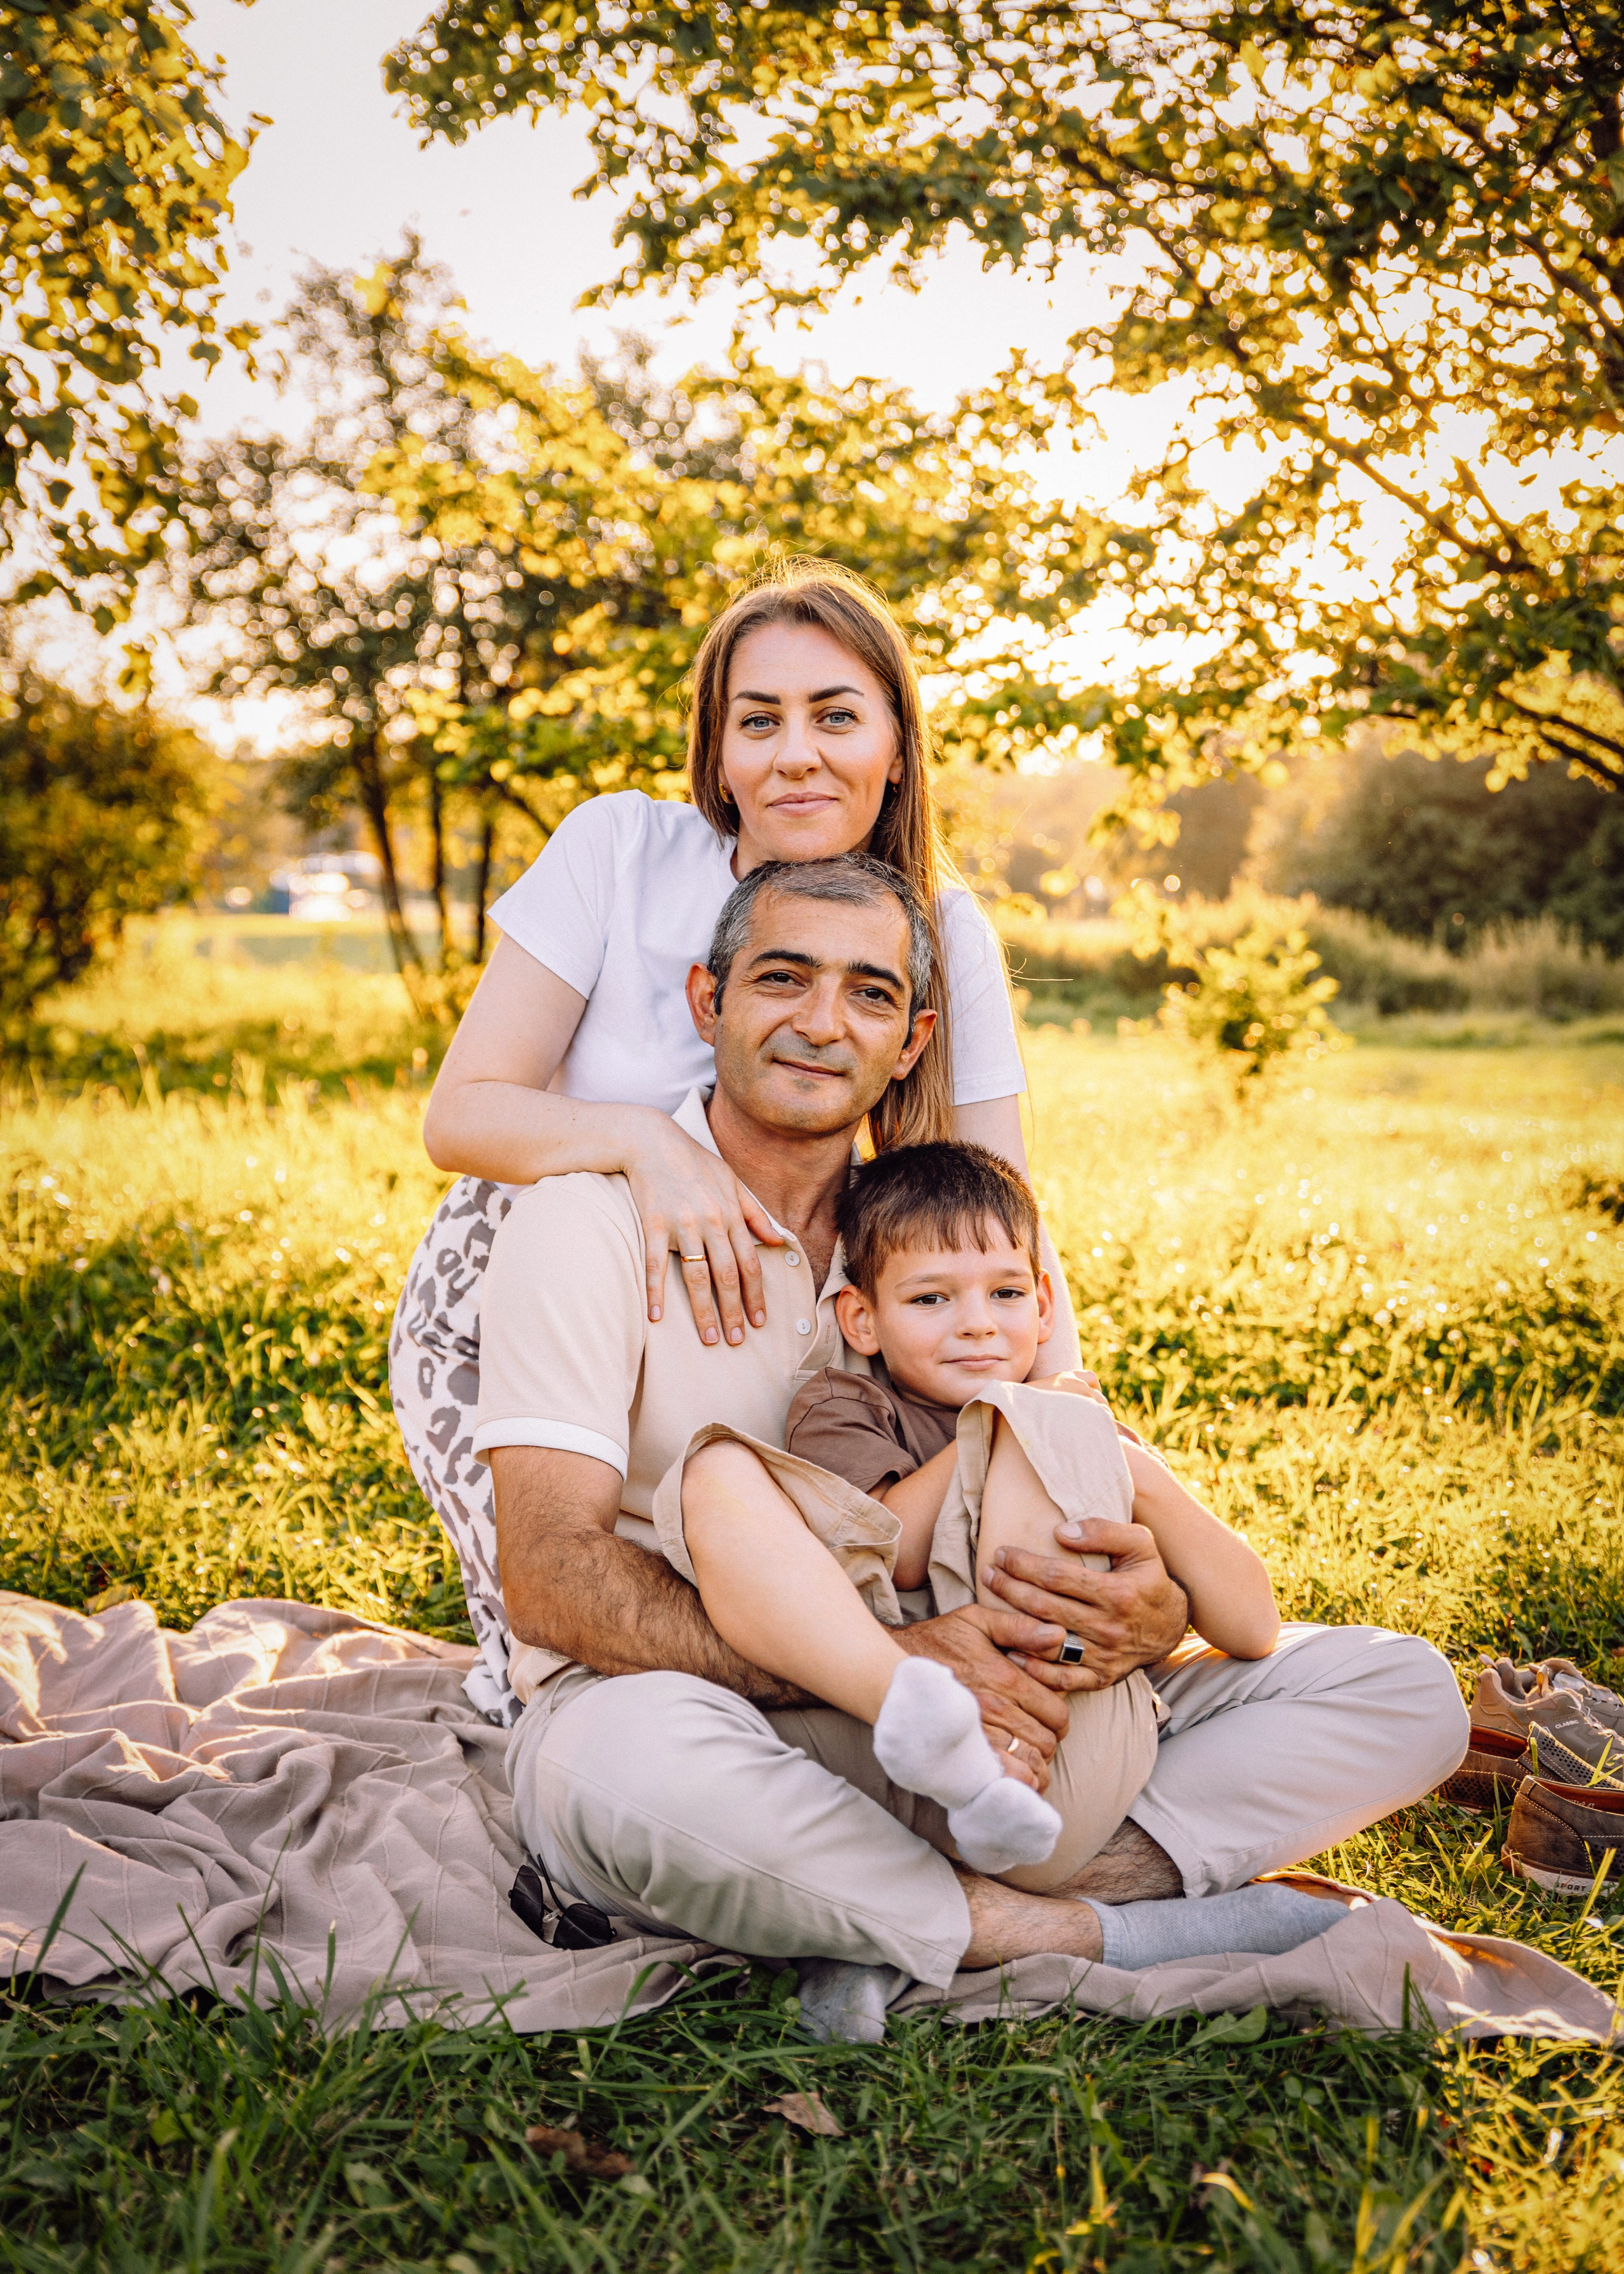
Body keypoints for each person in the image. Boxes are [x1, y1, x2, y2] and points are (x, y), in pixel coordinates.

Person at [478, 851, 1471, 2014]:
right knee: (623, 1765)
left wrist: (1145, 1608)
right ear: (711, 1000)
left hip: (1009, 1718)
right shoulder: (586, 1219)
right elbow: (547, 1575)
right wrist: (893, 1662)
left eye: (869, 992)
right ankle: (1054, 1926)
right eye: (782, 978)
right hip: (725, 1712)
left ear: (912, 1039)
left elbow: (1086, 1466)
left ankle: (857, 1907)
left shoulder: (945, 1240)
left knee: (1404, 1689)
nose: (820, 1020)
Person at [391, 558, 1078, 1722]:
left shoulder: (941, 929)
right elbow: (461, 1114)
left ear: (898, 747)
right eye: (757, 720)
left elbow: (1001, 1212)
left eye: (836, 715)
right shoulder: (620, 850)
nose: (794, 752)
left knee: (796, 1618)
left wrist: (1065, 1420)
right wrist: (650, 1148)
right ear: (717, 755)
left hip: (776, 1321)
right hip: (531, 1290)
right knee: (582, 1653)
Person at [677, 1140, 1281, 1888]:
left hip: (1079, 1729)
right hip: (920, 1734)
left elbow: (1253, 1625)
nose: (976, 1324)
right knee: (1034, 1427)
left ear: (1043, 1302)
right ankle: (985, 1804)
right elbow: (894, 1549)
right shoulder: (842, 1403)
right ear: (861, 1320)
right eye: (930, 1298)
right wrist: (1010, 1415)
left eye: (1005, 1293)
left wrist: (1129, 1466)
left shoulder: (1073, 1419)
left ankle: (1002, 1844)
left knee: (1410, 1688)